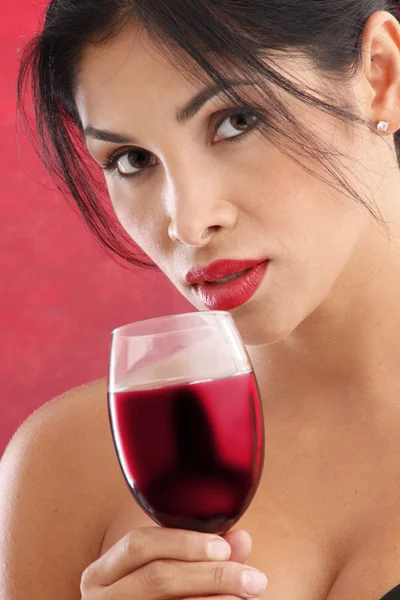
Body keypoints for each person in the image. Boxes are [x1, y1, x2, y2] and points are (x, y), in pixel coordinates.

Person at [2, 0, 400, 598]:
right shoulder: (67, 468)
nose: (187, 221)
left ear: (378, 75)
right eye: (132, 160)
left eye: (236, 120)